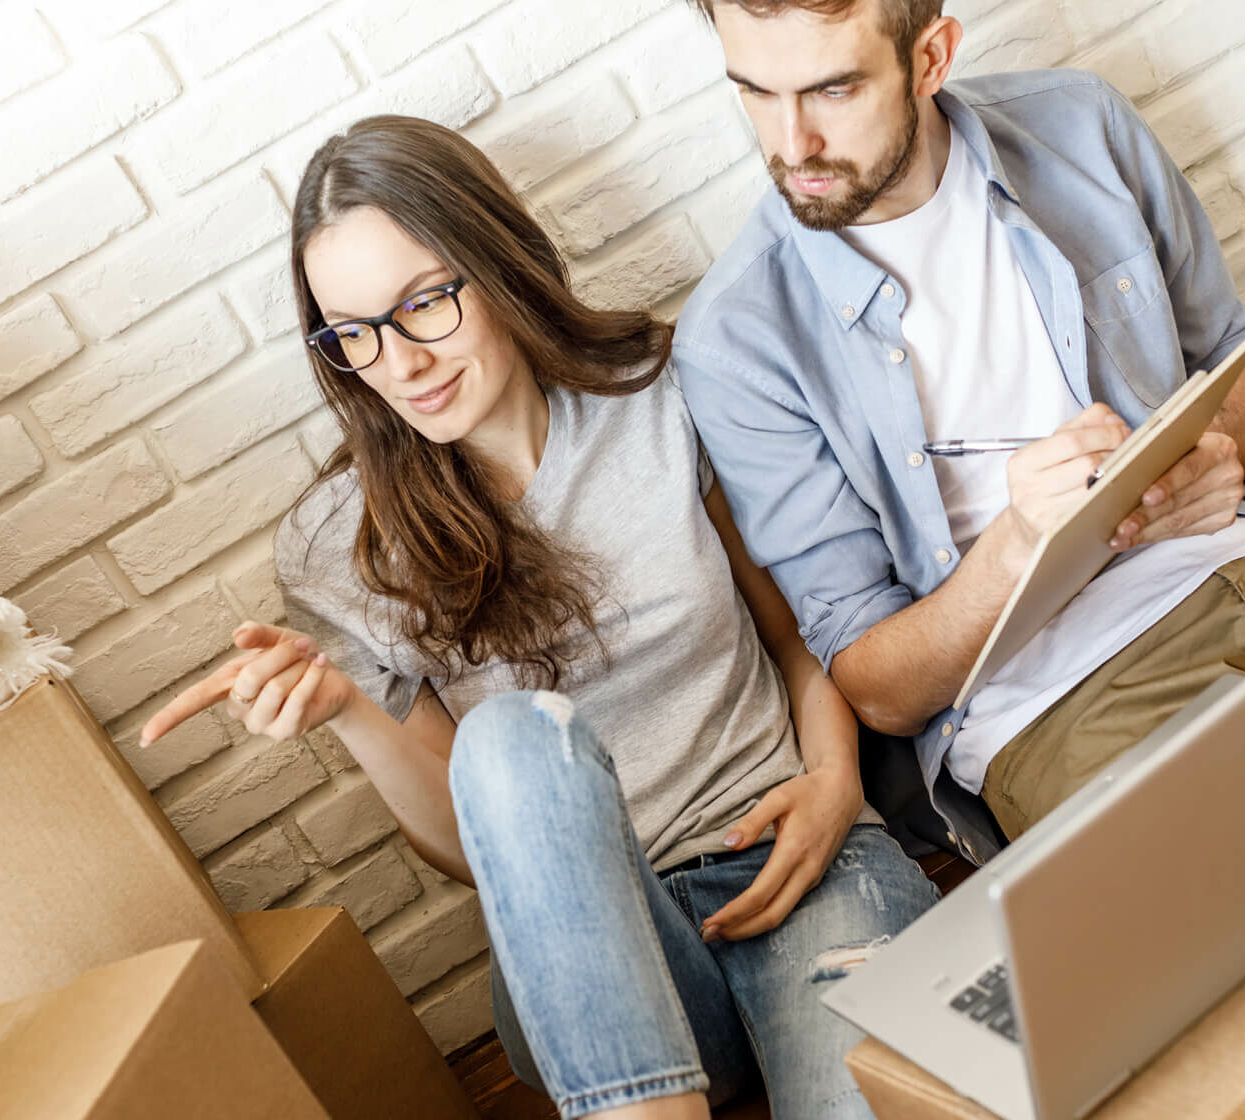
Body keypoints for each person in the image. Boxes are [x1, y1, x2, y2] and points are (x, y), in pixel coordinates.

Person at [140, 114, 937, 1120]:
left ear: (498, 259)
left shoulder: (665, 391)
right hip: (588, 960)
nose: (400, 362)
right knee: (511, 736)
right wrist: (349, 705)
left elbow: (795, 632)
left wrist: (831, 782)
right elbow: (471, 847)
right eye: (353, 333)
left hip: (799, 868)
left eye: (424, 302)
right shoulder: (339, 544)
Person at [672, 0, 1245, 865]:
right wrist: (1017, 546)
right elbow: (879, 690)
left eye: (832, 91)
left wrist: (1214, 455)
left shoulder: (1079, 127)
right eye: (755, 92)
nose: (792, 144)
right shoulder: (738, 340)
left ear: (930, 58)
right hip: (1062, 708)